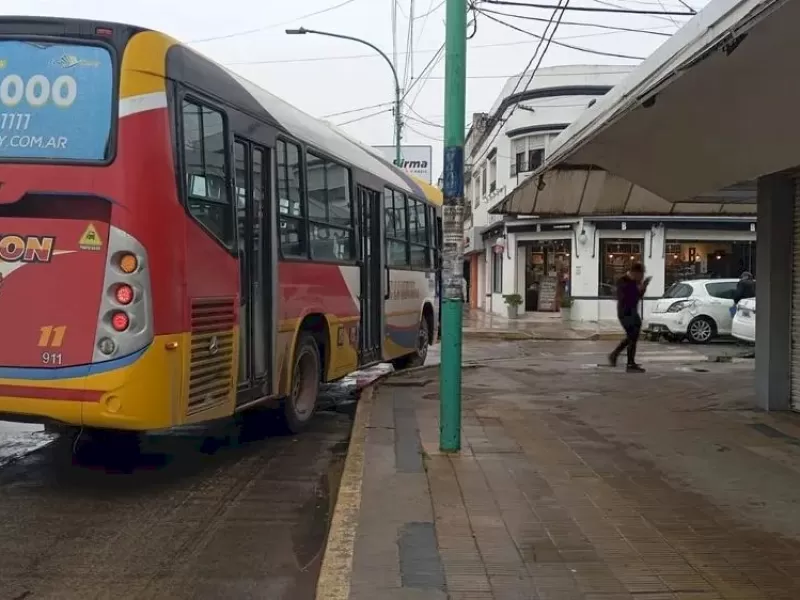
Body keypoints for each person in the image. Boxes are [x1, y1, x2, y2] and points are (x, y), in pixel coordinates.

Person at [608, 263, 651, 373]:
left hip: (633, 312)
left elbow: (638, 297)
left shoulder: (635, 282)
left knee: (633, 337)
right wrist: (638, 288)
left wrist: (643, 287)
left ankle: (615, 355)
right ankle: (630, 363)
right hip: (625, 313)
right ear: (635, 273)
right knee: (632, 336)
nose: (642, 277)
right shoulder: (623, 281)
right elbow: (625, 298)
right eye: (641, 275)